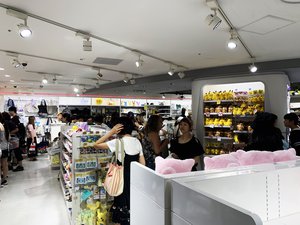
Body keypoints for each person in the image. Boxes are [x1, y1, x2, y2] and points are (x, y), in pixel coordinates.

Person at [94, 117, 145, 225]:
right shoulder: (137, 142)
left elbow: (96, 144)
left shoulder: (117, 142)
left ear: (119, 129)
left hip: (120, 182)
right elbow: (142, 164)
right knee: (132, 211)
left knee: (120, 214)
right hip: (134, 182)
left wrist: (111, 132)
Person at [0, 113, 9, 185]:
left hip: (1, 147)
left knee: (2, 163)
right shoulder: (3, 125)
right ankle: (4, 179)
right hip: (5, 146)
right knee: (4, 163)